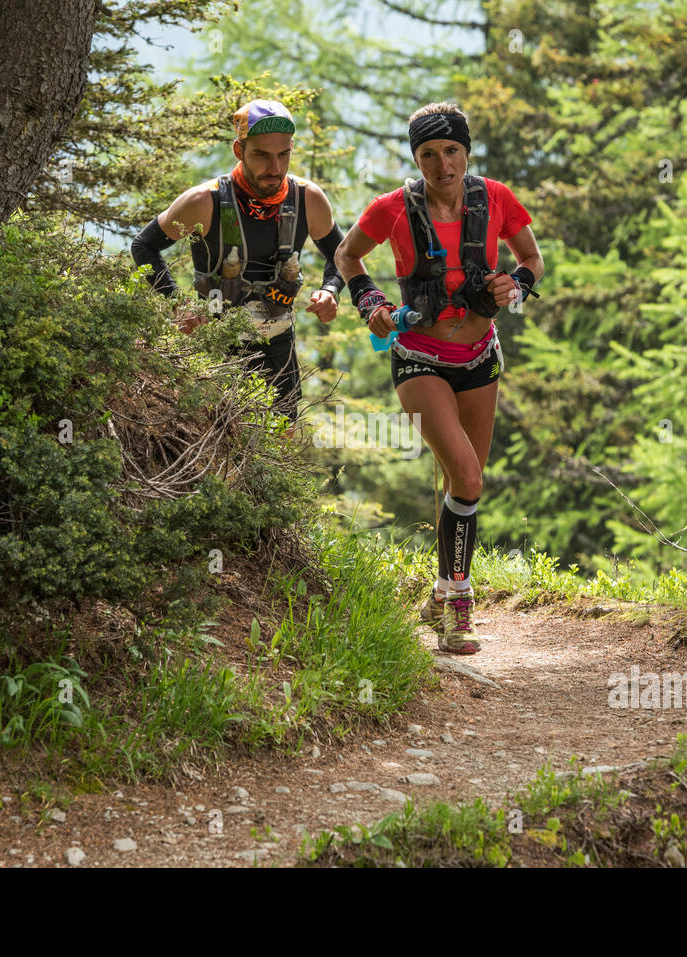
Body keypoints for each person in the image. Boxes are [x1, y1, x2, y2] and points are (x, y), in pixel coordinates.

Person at [335, 102, 544, 654]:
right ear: (416, 158)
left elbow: (531, 259)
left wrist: (516, 286)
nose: (442, 165)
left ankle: (440, 592)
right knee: (469, 477)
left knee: (464, 485)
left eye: (452, 151)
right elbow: (347, 255)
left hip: (480, 357)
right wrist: (371, 303)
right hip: (419, 358)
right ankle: (458, 606)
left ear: (466, 151)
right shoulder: (391, 209)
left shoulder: (495, 198)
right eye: (428, 154)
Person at [131, 99, 345, 419]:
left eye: (283, 154)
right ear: (238, 150)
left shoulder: (307, 198)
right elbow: (144, 246)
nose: (275, 168)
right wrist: (176, 303)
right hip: (213, 348)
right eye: (261, 155)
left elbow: (342, 256)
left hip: (278, 348)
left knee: (280, 439)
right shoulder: (204, 201)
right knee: (215, 435)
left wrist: (330, 290)